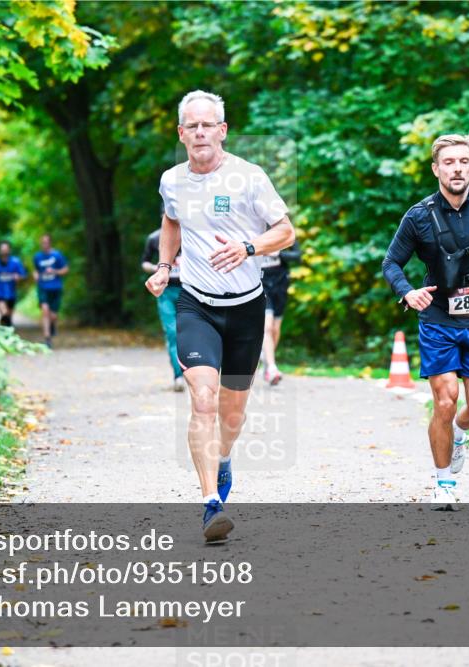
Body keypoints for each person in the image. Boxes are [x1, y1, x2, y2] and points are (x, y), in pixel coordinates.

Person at [145, 90, 296, 541]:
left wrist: (249, 247)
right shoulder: (172, 180)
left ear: (223, 130)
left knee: (232, 415)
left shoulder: (249, 177)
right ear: (181, 133)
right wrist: (165, 268)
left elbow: (286, 232)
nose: (200, 132)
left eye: (208, 124)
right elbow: (170, 221)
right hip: (196, 303)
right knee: (203, 400)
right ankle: (211, 503)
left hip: (246, 307)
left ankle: (223, 458)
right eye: (191, 126)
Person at [382, 134, 469, 510]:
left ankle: (459, 431)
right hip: (438, 319)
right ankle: (444, 482)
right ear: (436, 169)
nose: (456, 168)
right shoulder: (418, 216)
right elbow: (391, 262)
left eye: (463, 161)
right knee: (445, 402)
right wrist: (408, 292)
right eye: (448, 162)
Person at [142, 225, 185, 392]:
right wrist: (159, 269)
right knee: (173, 332)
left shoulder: (189, 235)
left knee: (190, 332)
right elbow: (144, 262)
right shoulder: (154, 238)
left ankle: (195, 373)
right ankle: (178, 375)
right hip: (166, 292)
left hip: (188, 290)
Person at [259, 238, 300, 385]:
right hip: (261, 285)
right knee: (267, 327)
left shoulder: (283, 229)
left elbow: (297, 255)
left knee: (275, 329)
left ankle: (267, 361)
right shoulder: (254, 229)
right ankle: (272, 367)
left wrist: (278, 253)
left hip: (280, 285)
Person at [32, 233, 69, 348]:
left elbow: (65, 270)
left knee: (53, 315)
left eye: (46, 242)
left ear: (50, 243)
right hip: (43, 287)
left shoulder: (57, 255)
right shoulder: (37, 257)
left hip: (55, 287)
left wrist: (55, 271)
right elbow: (36, 270)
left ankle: (52, 325)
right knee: (45, 311)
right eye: (42, 242)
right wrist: (36, 275)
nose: (44, 244)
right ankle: (47, 338)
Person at [0, 241, 26, 327]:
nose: (4, 252)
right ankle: (4, 332)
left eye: (6, 250)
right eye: (2, 250)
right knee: (4, 312)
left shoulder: (15, 262)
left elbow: (22, 275)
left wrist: (18, 277)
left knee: (8, 317)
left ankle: (5, 332)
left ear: (9, 250)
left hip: (11, 293)